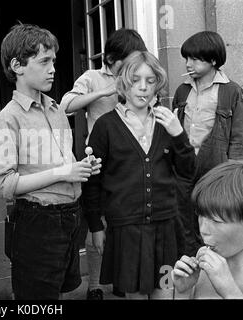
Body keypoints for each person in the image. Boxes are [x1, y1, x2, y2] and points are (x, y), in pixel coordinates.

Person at [0, 23, 101, 300]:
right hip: (36, 222)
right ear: (17, 65)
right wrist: (63, 172)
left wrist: (82, 168)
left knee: (58, 292)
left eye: (53, 61)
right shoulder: (7, 119)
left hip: (69, 216)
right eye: (44, 61)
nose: (52, 68)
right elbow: (2, 185)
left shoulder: (57, 109)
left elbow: (65, 161)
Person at [82, 51, 196, 299]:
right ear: (124, 82)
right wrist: (95, 225)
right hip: (127, 232)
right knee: (134, 295)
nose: (143, 87)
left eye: (150, 80)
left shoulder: (168, 122)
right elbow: (93, 181)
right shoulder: (106, 126)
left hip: (165, 232)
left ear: (158, 83)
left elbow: (188, 171)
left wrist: (179, 134)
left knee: (165, 292)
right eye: (136, 80)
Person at [60, 28, 147, 300]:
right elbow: (65, 105)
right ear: (111, 57)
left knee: (124, 223)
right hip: (99, 160)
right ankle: (95, 284)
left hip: (130, 160)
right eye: (128, 60)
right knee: (95, 221)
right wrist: (105, 91)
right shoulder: (92, 77)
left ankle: (123, 279)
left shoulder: (137, 77)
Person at [172, 31, 243, 257]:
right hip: (184, 166)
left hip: (215, 167)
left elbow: (239, 135)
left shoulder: (231, 90)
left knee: (213, 219)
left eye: (195, 59)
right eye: (186, 58)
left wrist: (233, 173)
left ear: (213, 60)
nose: (188, 64)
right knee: (185, 218)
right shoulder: (182, 90)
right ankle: (193, 269)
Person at [172, 160, 243, 299]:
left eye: (216, 221)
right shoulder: (204, 271)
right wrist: (183, 292)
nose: (203, 230)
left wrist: (230, 292)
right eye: (200, 216)